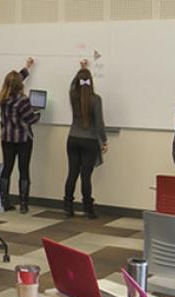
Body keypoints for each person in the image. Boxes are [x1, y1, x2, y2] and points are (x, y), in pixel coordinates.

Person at [63, 60, 107, 219]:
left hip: (72, 138)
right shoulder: (96, 99)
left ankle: (68, 206)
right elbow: (99, 123)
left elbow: (72, 86)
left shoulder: (73, 96)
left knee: (72, 173)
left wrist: (81, 69)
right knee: (86, 176)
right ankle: (88, 208)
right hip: (89, 141)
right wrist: (104, 140)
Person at [0, 57, 40, 214]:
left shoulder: (2, 98)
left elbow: (14, 80)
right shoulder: (22, 100)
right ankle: (23, 204)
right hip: (23, 139)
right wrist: (38, 115)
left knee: (6, 169)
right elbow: (30, 119)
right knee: (24, 170)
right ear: (19, 85)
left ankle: (4, 201)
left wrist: (26, 68)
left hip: (6, 139)